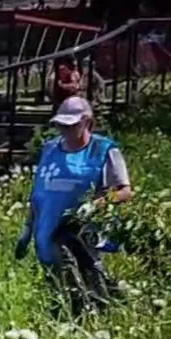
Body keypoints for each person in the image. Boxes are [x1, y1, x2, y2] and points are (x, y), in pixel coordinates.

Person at [15, 96, 133, 316]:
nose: (65, 130)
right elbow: (39, 193)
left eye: (72, 125)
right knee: (58, 293)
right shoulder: (50, 149)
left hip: (81, 235)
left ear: (87, 122)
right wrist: (27, 229)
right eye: (61, 125)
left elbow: (124, 190)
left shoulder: (103, 150)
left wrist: (95, 204)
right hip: (47, 232)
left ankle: (105, 317)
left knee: (89, 290)